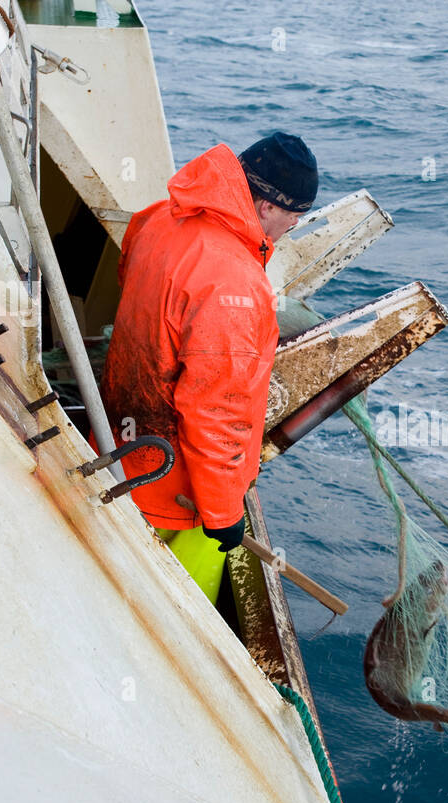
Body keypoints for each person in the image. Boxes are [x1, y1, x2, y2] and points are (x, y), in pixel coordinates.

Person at [97, 132, 318, 601]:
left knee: (113, 570)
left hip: (117, 439)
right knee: (167, 607)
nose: (287, 230)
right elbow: (214, 411)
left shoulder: (160, 217)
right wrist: (221, 514)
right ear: (265, 208)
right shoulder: (232, 281)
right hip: (171, 484)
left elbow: (132, 284)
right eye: (292, 219)